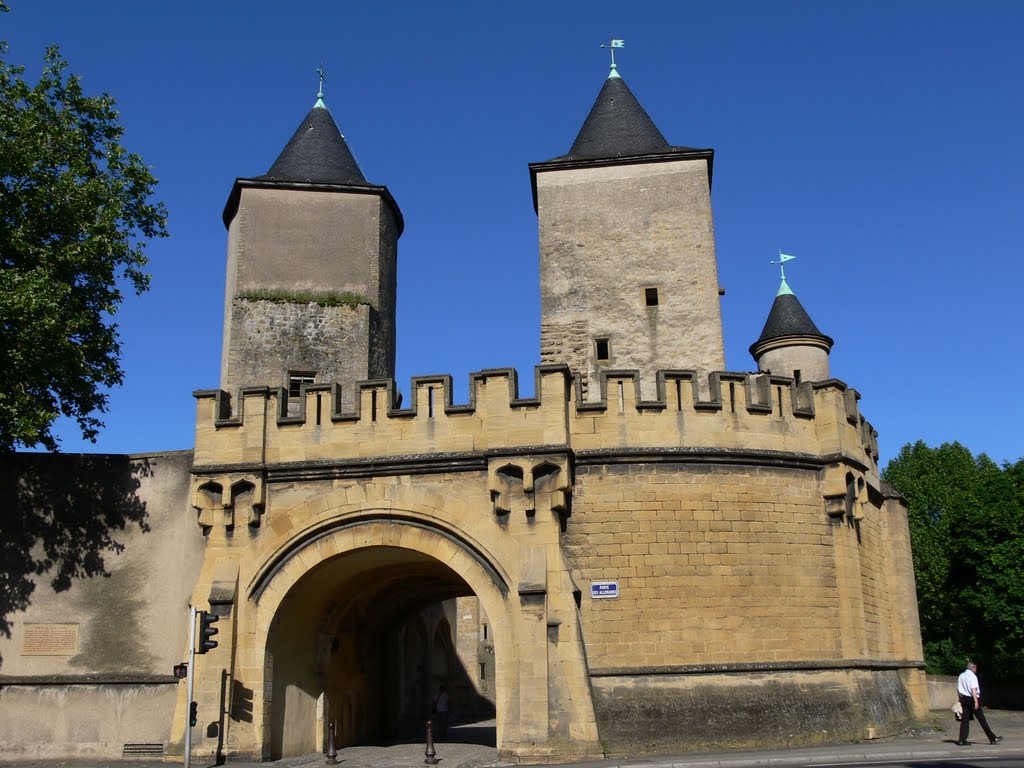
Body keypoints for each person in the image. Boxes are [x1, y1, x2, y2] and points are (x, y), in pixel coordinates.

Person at [956, 660, 1002, 745]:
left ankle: (962, 740)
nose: (976, 669)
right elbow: (973, 689)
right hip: (972, 699)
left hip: (964, 699)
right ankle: (992, 738)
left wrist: (960, 700)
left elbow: (958, 690)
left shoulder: (961, 676)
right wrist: (976, 702)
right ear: (973, 667)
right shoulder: (972, 676)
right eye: (975, 667)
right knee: (982, 719)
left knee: (965, 720)